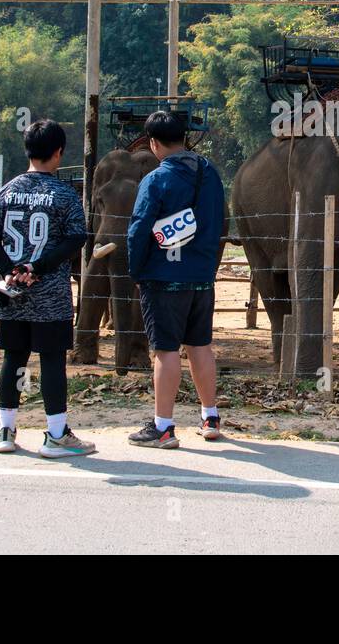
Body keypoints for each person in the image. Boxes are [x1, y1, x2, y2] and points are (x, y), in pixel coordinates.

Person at [0, 119, 95, 458]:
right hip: (51, 295)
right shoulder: (62, 194)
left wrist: (11, 269)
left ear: (27, 150)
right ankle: (56, 433)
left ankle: (5, 429)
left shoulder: (8, 190)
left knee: (14, 358)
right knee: (52, 361)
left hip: (13, 292)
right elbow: (76, 237)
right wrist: (38, 267)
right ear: (59, 153)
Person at [126, 111, 225, 449]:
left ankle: (163, 427)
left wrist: (136, 270)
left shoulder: (155, 180)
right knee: (200, 346)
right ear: (185, 138)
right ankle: (210, 416)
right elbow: (219, 222)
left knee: (166, 351)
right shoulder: (209, 174)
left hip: (163, 277)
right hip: (201, 276)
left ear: (153, 143)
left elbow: (139, 228)